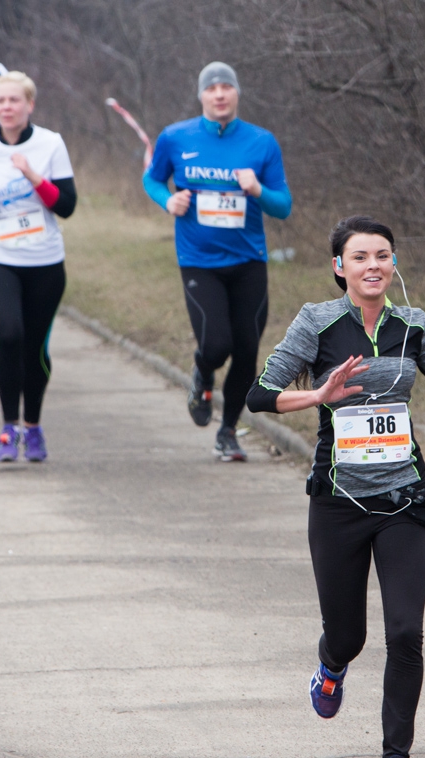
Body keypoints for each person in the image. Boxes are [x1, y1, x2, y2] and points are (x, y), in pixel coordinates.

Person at [246, 215, 425, 758]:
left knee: (407, 633)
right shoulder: (317, 322)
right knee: (349, 636)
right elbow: (260, 394)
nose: (374, 266)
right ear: (339, 266)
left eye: (383, 255)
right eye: (361, 256)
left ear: (394, 264)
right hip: (339, 502)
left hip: (404, 500)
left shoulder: (411, 324)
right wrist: (318, 394)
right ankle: (331, 664)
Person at [143, 61, 292, 462]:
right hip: (199, 261)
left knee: (246, 350)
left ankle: (227, 431)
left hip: (248, 261)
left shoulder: (262, 142)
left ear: (237, 93)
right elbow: (152, 179)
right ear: (202, 95)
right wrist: (167, 200)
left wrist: (257, 188)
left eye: (227, 87)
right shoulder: (176, 137)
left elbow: (284, 206)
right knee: (216, 344)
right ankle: (202, 373)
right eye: (212, 88)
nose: (220, 94)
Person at [0, 71, 76, 461]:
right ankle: (8, 428)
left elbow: (67, 205)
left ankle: (34, 427)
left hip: (44, 261)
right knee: (9, 332)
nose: (6, 107)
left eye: (14, 100)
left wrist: (33, 175)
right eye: (0, 100)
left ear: (29, 105)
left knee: (35, 347)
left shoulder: (50, 144)